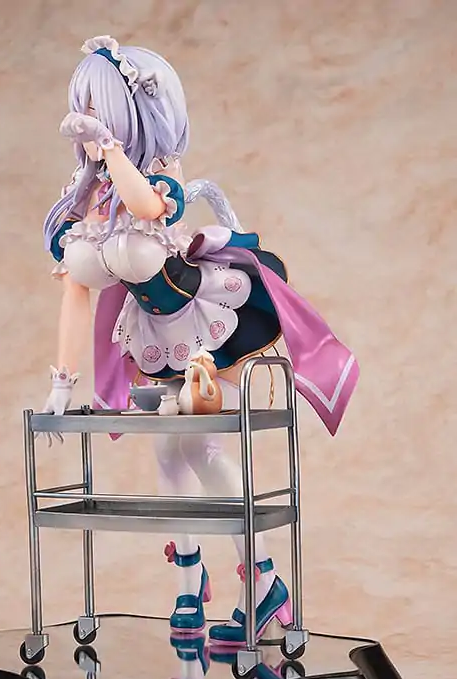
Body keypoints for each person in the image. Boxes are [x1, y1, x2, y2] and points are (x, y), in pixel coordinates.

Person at [41, 35, 359, 647]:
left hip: (202, 324)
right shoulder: (92, 198)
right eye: (82, 108)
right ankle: (189, 581)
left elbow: (146, 208)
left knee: (204, 451)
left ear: (132, 111)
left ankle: (263, 580)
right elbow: (76, 291)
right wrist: (62, 382)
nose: (85, 120)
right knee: (168, 454)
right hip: (152, 336)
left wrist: (110, 150)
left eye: (97, 106)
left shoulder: (159, 172)